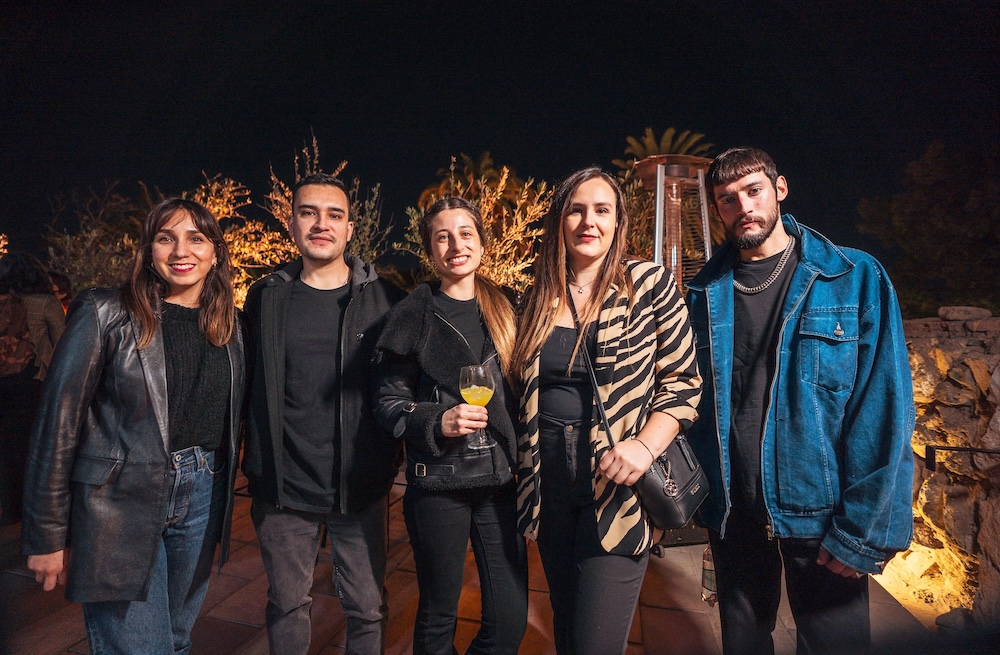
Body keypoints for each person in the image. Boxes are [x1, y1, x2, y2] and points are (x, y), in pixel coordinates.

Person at [685, 147, 915, 655]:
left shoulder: (853, 276)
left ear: (780, 189)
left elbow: (885, 409)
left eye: (753, 191)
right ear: (716, 209)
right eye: (727, 199)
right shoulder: (703, 292)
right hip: (735, 513)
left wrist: (862, 532)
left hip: (822, 514)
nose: (743, 206)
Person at [20, 198, 246, 654]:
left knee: (176, 640)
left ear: (216, 252)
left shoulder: (232, 325)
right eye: (166, 238)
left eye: (196, 238)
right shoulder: (105, 312)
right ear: (148, 250)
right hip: (117, 499)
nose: (181, 251)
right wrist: (47, 533)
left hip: (204, 492)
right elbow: (57, 425)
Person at [511, 167, 702, 655]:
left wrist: (645, 447)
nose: (588, 221)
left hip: (616, 490)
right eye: (575, 210)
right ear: (559, 220)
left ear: (619, 221)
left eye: (602, 210)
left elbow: (683, 381)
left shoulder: (648, 284)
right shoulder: (537, 294)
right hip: (549, 489)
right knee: (566, 628)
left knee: (595, 642)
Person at [242, 172, 405, 655]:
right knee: (287, 604)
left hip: (360, 485)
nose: (321, 224)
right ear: (291, 223)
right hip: (284, 486)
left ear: (350, 228)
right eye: (308, 212)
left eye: (334, 215)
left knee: (367, 608)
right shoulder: (265, 296)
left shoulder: (386, 299)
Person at [373, 197, 528, 654]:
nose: (456, 245)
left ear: (481, 244)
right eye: (443, 236)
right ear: (430, 250)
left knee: (509, 621)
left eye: (465, 233)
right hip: (438, 485)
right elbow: (387, 403)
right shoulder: (411, 316)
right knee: (438, 616)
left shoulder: (509, 309)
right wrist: (437, 420)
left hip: (501, 484)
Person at [0, 252, 65, 525]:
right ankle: (27, 511)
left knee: (5, 445)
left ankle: (7, 507)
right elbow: (63, 345)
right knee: (30, 446)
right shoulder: (45, 303)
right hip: (32, 382)